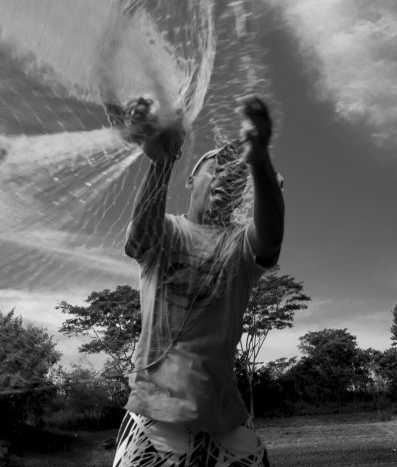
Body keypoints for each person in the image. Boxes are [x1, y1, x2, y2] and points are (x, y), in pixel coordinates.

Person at [113, 96, 284, 467]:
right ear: (191, 179)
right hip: (157, 416)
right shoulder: (169, 231)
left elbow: (270, 237)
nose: (226, 173)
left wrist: (260, 162)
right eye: (216, 165)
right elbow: (141, 234)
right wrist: (161, 161)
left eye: (234, 171)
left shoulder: (239, 243)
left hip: (227, 421)